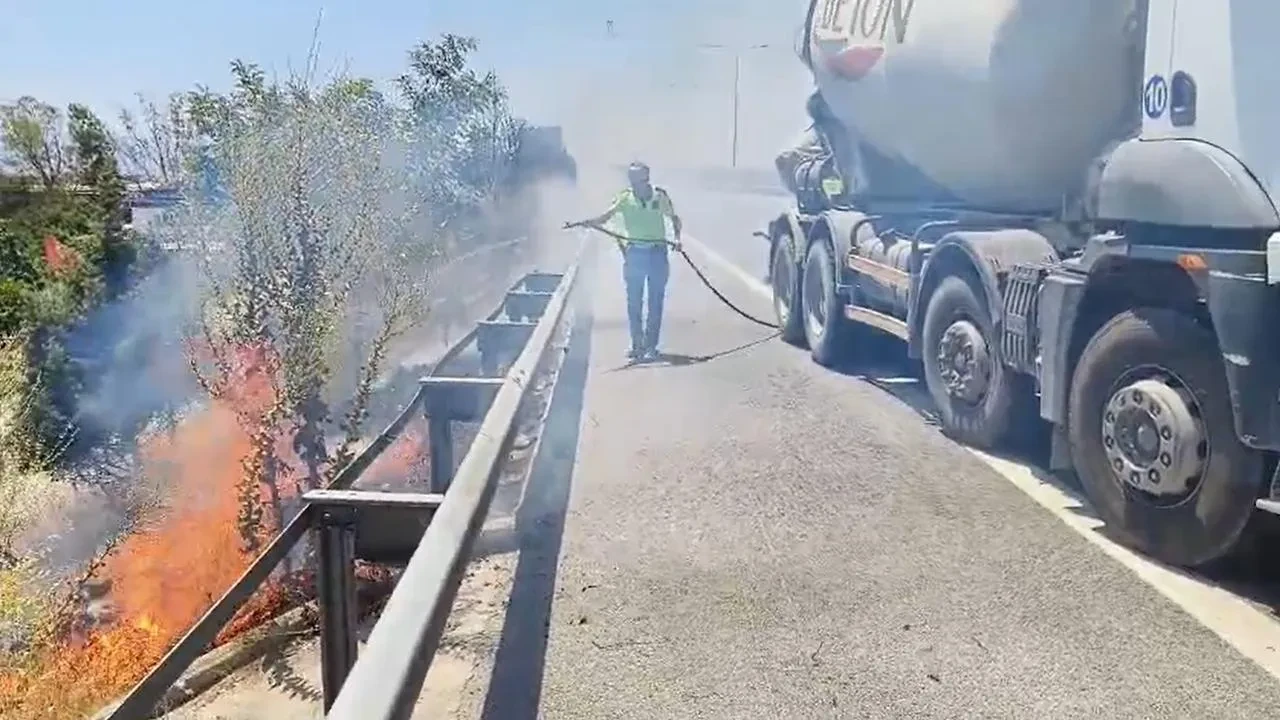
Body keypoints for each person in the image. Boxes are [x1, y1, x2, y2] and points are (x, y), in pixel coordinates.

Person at [566, 162, 683, 361]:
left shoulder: (660, 196)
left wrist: (677, 239)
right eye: (632, 178)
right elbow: (606, 216)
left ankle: (651, 346)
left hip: (657, 253)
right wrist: (588, 222)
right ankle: (637, 345)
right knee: (634, 303)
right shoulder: (624, 198)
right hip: (635, 254)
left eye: (639, 178)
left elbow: (674, 218)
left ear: (646, 177)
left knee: (655, 302)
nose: (636, 182)